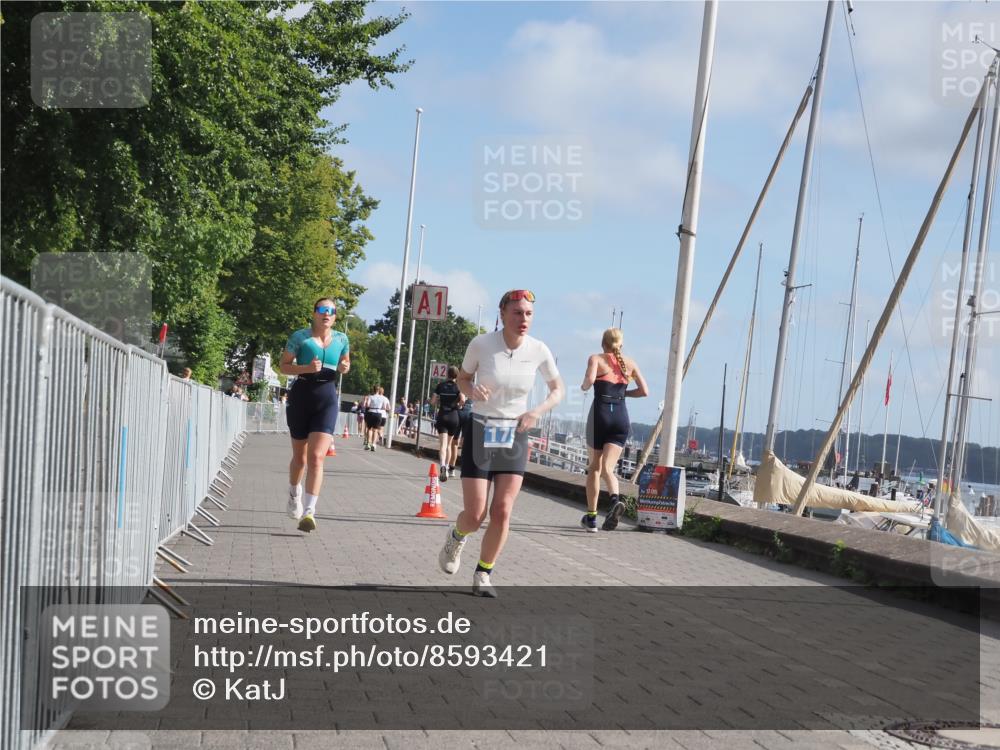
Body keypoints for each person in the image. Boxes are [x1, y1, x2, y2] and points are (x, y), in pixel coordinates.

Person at [438, 289, 564, 597]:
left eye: (529, 314)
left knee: (503, 510)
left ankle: (483, 573)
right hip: (482, 429)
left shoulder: (538, 349)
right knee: (475, 515)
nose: (524, 319)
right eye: (518, 313)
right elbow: (462, 378)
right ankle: (456, 537)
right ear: (503, 314)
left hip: (516, 432)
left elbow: (557, 388)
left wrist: (536, 412)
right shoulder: (481, 344)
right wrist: (471, 389)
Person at [279, 297, 350, 533]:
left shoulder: (341, 338)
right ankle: (294, 492)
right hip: (301, 396)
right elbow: (284, 366)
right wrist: (306, 368)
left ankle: (309, 512)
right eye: (322, 310)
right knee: (300, 459)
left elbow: (345, 361)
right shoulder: (300, 337)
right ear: (314, 313)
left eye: (331, 311)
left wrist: (344, 367)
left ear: (335, 317)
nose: (326, 314)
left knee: (317, 457)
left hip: (327, 398)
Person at [580, 328, 648, 532]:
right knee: (608, 468)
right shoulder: (631, 363)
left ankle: (591, 518)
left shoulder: (596, 358)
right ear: (621, 345)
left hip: (600, 415)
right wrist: (623, 395)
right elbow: (645, 391)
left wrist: (584, 386)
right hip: (620, 417)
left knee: (594, 468)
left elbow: (590, 381)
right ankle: (614, 500)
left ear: (603, 343)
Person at [432, 366, 464, 480]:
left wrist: (439, 401)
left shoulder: (440, 386)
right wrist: (458, 406)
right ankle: (448, 467)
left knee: (443, 445)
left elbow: (433, 401)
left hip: (442, 416)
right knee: (450, 445)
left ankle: (442, 467)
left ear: (447, 375)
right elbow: (463, 400)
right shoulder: (458, 387)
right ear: (457, 375)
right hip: (453, 416)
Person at [363, 385, 390, 451]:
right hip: (378, 413)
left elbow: (367, 405)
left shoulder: (371, 397)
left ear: (373, 390)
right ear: (378, 390)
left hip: (371, 412)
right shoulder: (383, 398)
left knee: (369, 429)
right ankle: (373, 444)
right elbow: (385, 407)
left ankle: (368, 444)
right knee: (375, 430)